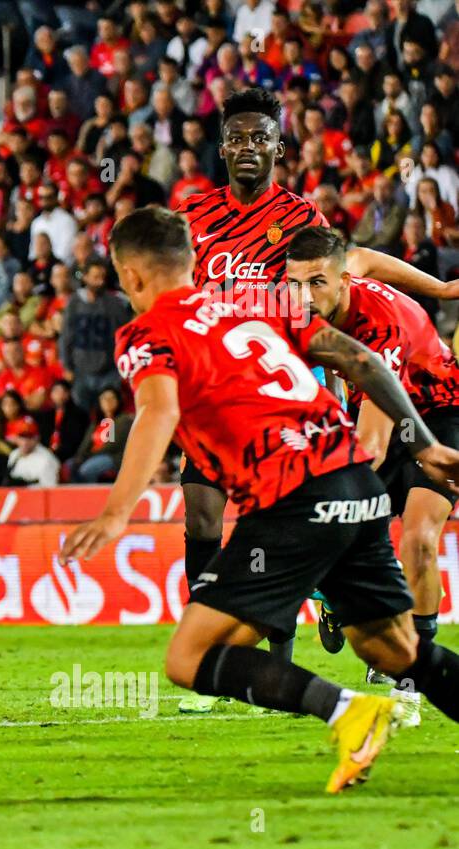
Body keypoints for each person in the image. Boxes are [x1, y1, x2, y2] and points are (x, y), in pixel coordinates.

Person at [62, 206, 459, 793]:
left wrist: (118, 510)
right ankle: (355, 691)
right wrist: (425, 443)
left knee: (189, 658)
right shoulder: (258, 305)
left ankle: (348, 710)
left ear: (131, 276)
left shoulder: (147, 331)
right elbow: (360, 359)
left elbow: (158, 411)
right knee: (397, 649)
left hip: (294, 496)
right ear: (194, 261)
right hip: (357, 484)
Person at [171, 86, 459, 711]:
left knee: (301, 516)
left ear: (278, 146)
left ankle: (285, 651)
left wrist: (437, 290)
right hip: (214, 397)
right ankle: (231, 653)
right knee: (199, 515)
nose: (249, 147)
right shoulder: (194, 220)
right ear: (222, 148)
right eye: (238, 137)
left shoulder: (302, 221)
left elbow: (347, 283)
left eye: (260, 137)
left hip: (286, 396)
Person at [288, 226, 459, 726]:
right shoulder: (337, 274)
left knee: (420, 540)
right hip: (379, 406)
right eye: (294, 284)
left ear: (341, 282)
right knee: (336, 519)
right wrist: (443, 289)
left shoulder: (378, 327)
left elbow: (374, 445)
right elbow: (366, 256)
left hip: (438, 413)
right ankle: (336, 593)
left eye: (316, 284)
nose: (303, 296)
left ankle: (408, 675)